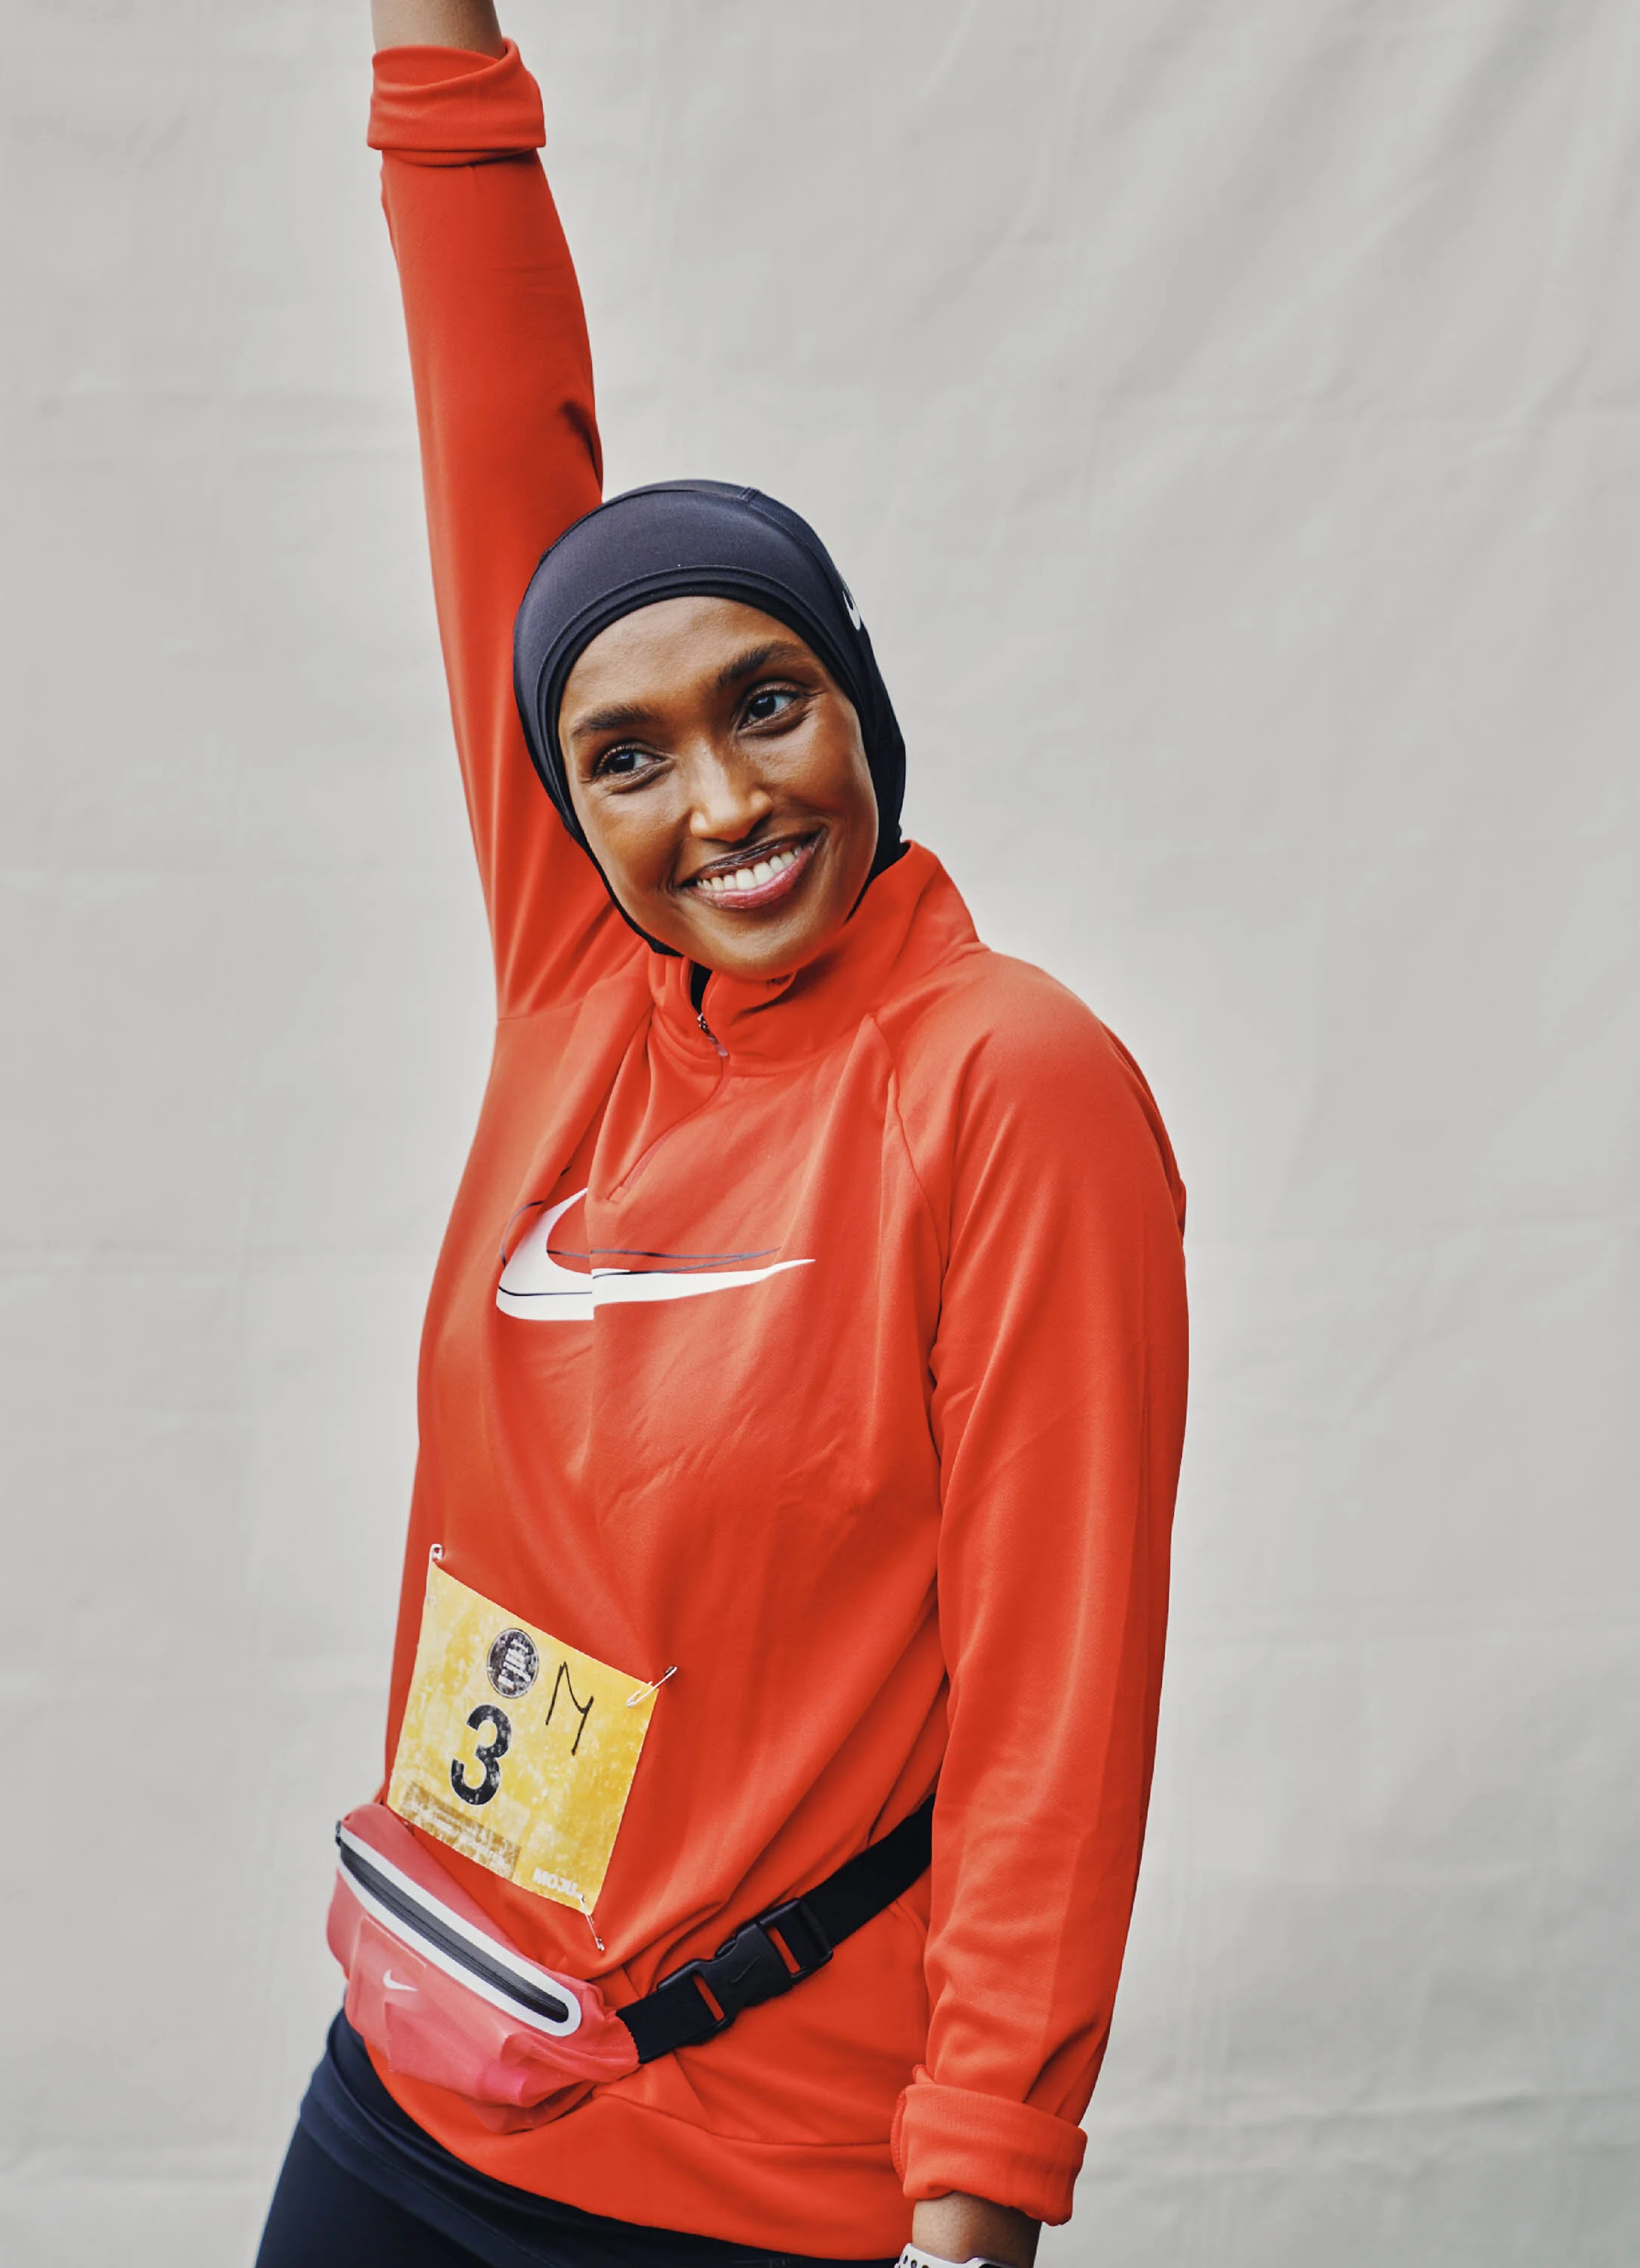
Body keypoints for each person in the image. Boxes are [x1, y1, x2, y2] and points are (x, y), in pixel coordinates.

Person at [255, 4, 1189, 2264]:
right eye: (632, 754)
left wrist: (986, 2188)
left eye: (766, 703)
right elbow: (499, 425)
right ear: (567, 811)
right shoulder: (583, 991)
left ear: (856, 705)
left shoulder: (1005, 1085)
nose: (725, 800)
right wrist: (429, 40)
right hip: (421, 2077)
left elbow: (1059, 1697)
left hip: (748, 2177)